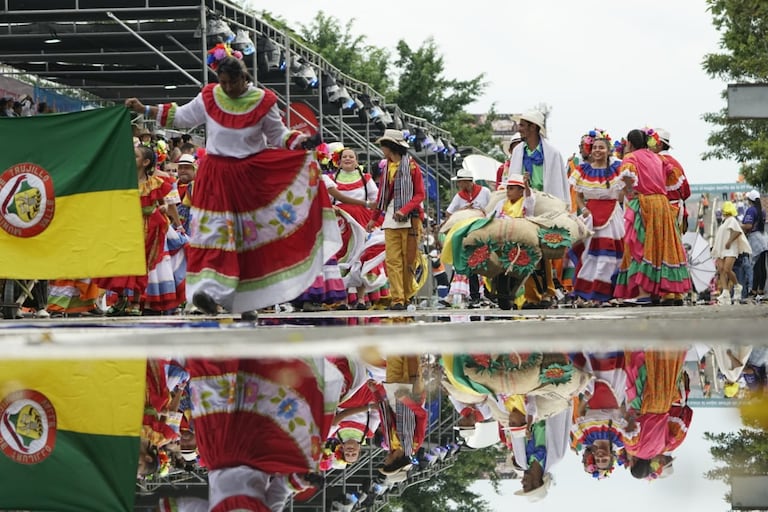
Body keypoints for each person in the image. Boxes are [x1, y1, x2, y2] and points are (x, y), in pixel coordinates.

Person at [124, 55, 340, 320]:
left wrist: (301, 142)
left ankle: (244, 301)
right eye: (222, 82)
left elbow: (277, 135)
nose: (226, 87)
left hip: (249, 176)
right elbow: (181, 117)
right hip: (215, 175)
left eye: (231, 82)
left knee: (245, 239)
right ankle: (208, 292)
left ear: (244, 78)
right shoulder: (210, 96)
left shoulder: (262, 101)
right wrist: (144, 109)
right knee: (211, 233)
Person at [613, 129, 691, 305]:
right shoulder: (658, 158)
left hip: (644, 203)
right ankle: (663, 292)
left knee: (640, 246)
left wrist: (631, 194)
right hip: (662, 204)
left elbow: (627, 179)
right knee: (660, 248)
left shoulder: (631, 158)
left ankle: (644, 293)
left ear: (630, 144)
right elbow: (674, 178)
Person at [509, 110, 570, 308]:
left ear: (534, 127)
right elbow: (512, 179)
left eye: (523, 125)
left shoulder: (552, 153)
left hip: (546, 204)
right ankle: (531, 294)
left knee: (544, 251)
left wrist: (560, 208)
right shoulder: (518, 151)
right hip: (526, 204)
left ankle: (547, 292)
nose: (520, 129)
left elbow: (559, 183)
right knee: (526, 249)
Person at [366, 129, 426, 311]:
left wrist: (404, 210)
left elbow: (419, 195)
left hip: (411, 219)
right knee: (393, 260)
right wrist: (373, 219)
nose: (381, 148)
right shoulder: (387, 168)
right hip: (392, 218)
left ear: (390, 146)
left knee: (408, 259)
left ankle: (407, 295)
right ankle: (398, 298)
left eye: (383, 145)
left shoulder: (413, 167)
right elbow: (383, 198)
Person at [568, 131, 625, 306]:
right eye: (594, 147)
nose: (597, 150)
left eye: (601, 147)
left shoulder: (617, 169)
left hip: (612, 214)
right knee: (589, 254)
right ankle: (586, 293)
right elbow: (577, 195)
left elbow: (623, 193)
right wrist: (584, 208)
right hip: (591, 215)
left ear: (608, 151)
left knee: (609, 254)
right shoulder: (583, 170)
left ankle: (605, 294)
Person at [445, 169, 491, 308]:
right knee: (472, 261)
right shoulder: (459, 197)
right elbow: (449, 213)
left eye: (460, 181)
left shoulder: (485, 192)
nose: (458, 184)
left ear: (466, 181)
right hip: (468, 233)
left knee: (487, 261)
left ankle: (489, 293)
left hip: (483, 230)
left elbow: (492, 208)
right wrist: (464, 210)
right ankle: (475, 295)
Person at [712, 201, 751, 305]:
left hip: (730, 249)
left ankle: (737, 285)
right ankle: (725, 292)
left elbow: (738, 232)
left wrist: (729, 241)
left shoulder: (732, 220)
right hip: (722, 249)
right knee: (721, 270)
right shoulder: (724, 222)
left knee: (727, 269)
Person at [742, 190, 768, 300]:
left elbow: (748, 226)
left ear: (750, 200)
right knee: (762, 265)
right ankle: (760, 289)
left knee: (756, 266)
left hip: (755, 238)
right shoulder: (762, 211)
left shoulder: (751, 210)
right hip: (763, 237)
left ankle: (754, 289)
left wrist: (739, 226)